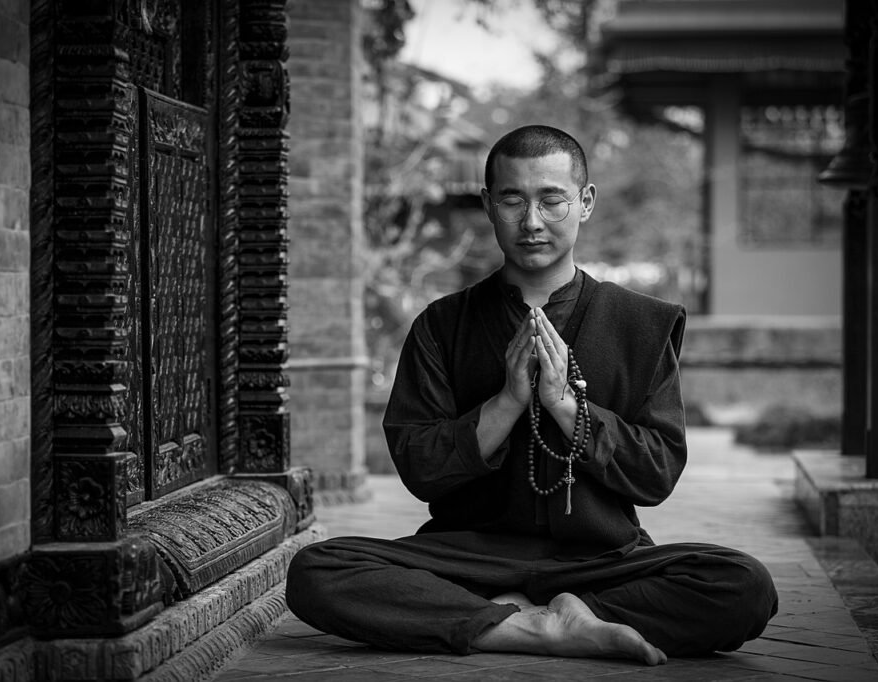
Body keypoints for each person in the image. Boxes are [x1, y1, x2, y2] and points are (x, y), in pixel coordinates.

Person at [286, 124, 777, 665]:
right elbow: (420, 468)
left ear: (585, 202)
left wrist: (564, 403)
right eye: (513, 200)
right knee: (318, 571)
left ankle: (519, 615)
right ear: (488, 205)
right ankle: (542, 628)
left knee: (743, 585)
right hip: (468, 557)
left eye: (552, 200)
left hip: (601, 557)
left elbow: (655, 474)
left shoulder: (642, 324)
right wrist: (508, 402)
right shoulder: (443, 325)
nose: (532, 222)